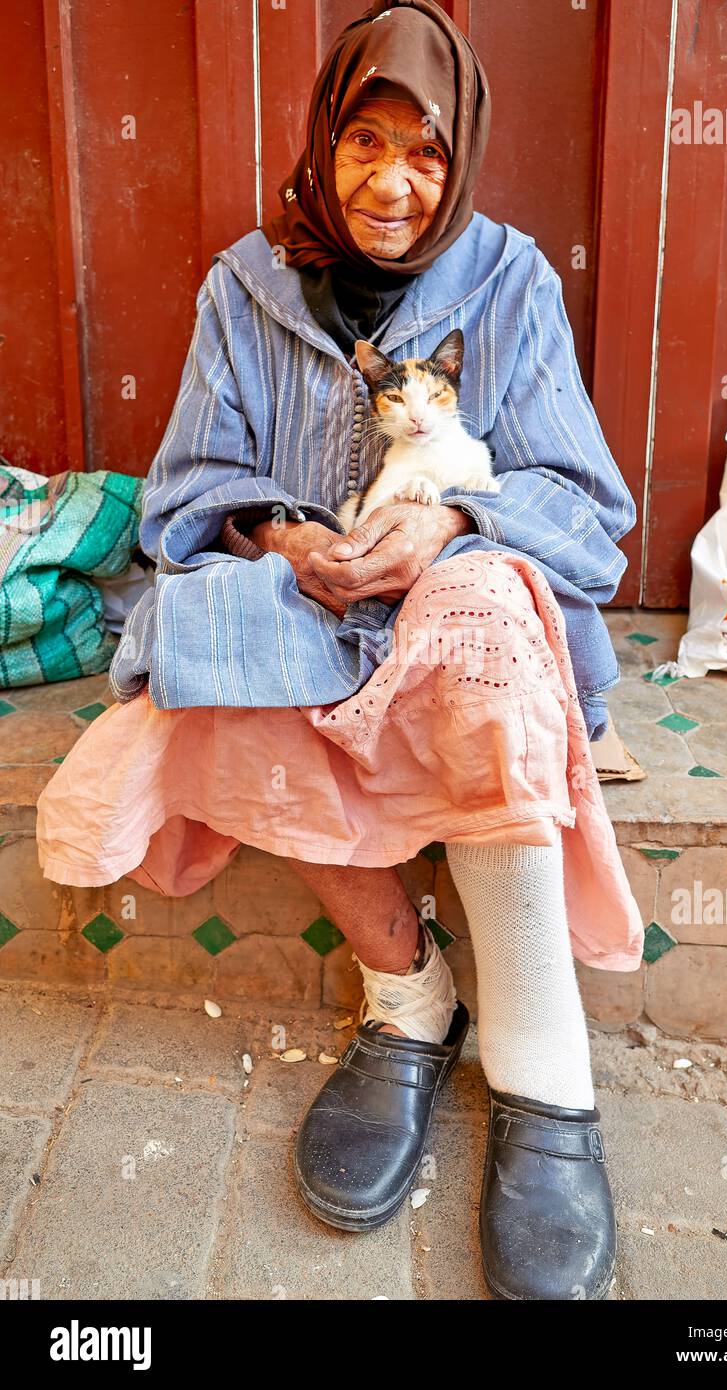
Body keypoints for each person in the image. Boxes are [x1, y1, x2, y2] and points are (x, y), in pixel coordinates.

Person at [37, 0, 642, 1300]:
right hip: (310, 595)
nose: (389, 180)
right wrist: (279, 536)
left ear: (460, 156)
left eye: (423, 151)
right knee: (201, 656)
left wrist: (450, 523)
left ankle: (545, 1075)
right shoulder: (242, 286)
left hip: (462, 606)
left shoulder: (511, 280)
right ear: (323, 143)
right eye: (363, 140)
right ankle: (409, 996)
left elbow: (584, 506)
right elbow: (185, 488)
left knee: (480, 624)